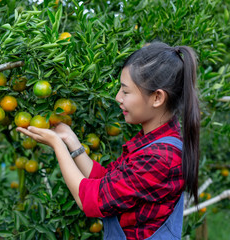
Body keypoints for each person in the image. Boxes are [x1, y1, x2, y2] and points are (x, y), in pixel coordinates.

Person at [16, 42, 200, 240]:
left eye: (126, 91)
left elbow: (90, 199)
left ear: (157, 97)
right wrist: (72, 142)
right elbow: (108, 183)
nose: (118, 97)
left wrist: (57, 145)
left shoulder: (160, 157)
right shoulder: (154, 142)